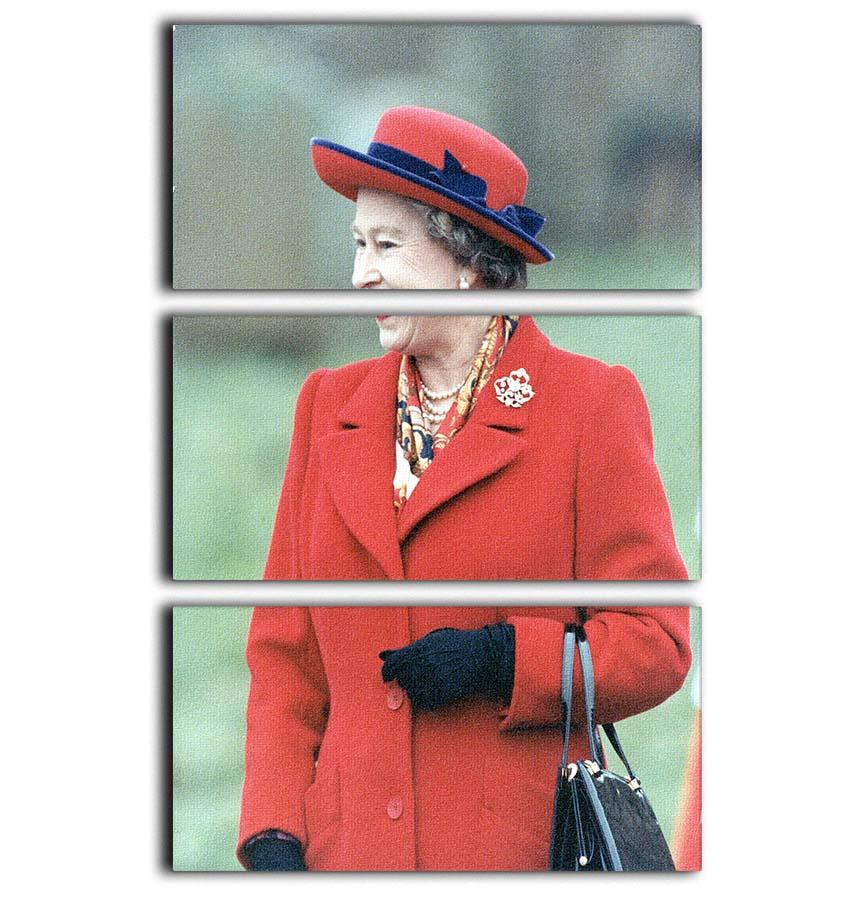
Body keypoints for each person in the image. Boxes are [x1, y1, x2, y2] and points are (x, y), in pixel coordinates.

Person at [238, 605, 691, 871]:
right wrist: (273, 839)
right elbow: (285, 668)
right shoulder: (321, 436)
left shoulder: (593, 435)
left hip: (530, 857)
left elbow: (655, 640)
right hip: (347, 861)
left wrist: (501, 657)